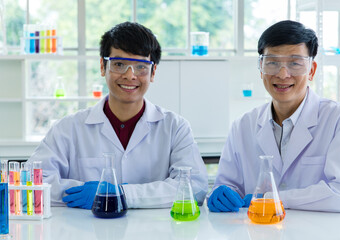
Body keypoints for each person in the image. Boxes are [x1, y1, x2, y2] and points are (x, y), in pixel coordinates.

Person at [27, 21, 208, 209]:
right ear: (102, 66)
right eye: (119, 64)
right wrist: (88, 192)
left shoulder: (175, 127)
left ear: (153, 72)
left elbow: (194, 188)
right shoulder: (68, 128)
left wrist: (119, 195)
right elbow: (31, 186)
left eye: (141, 66)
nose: (130, 76)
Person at [207, 20, 340, 213]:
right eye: (272, 63)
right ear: (260, 68)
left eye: (295, 63)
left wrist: (271, 198)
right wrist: (222, 194)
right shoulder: (243, 126)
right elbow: (228, 187)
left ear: (312, 70)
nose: (283, 74)